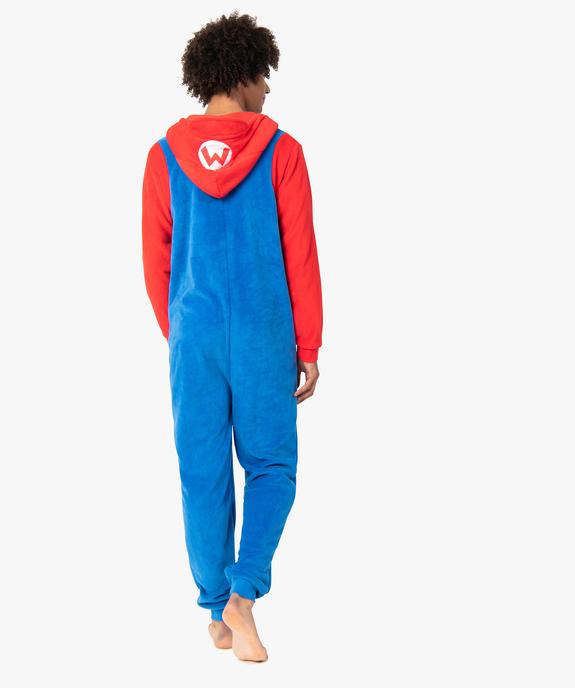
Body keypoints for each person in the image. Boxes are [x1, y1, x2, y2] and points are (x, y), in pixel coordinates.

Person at [141, 12, 323, 663]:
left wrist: (181, 335)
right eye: (264, 76)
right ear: (243, 73)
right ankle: (243, 594)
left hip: (192, 337)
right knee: (271, 465)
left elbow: (156, 261)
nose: (268, 89)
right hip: (263, 335)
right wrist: (308, 346)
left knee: (202, 471)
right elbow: (300, 255)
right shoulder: (281, 151)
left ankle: (216, 608)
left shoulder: (164, 157)